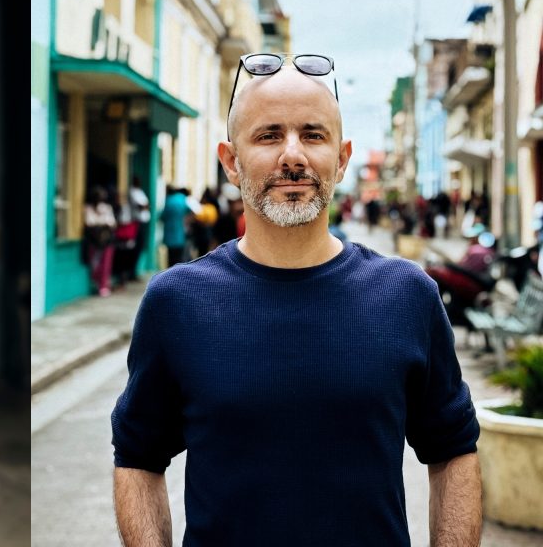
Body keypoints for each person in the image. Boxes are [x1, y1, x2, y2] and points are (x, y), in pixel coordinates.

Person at [111, 58, 481, 545]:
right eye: (268, 136)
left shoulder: (406, 295)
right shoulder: (176, 301)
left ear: (342, 158)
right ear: (230, 160)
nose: (293, 155)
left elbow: (454, 450)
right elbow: (137, 458)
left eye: (313, 134)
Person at [84, 185, 117, 296]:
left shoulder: (107, 208)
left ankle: (103, 286)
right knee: (95, 263)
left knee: (106, 263)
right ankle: (98, 283)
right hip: (94, 241)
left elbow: (112, 223)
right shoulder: (88, 208)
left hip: (106, 240)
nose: (99, 199)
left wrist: (101, 221)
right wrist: (102, 222)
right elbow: (89, 223)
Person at [160, 185, 191, 267]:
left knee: (171, 258)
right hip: (180, 233)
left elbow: (162, 216)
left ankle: (170, 276)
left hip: (169, 234)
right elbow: (191, 212)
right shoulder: (182, 199)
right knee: (179, 257)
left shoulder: (168, 200)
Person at [128, 176, 151, 280]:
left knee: (140, 246)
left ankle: (135, 271)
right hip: (136, 223)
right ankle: (131, 272)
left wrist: (145, 206)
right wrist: (145, 206)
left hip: (143, 222)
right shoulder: (132, 192)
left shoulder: (139, 191)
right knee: (135, 247)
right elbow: (141, 206)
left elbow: (147, 205)